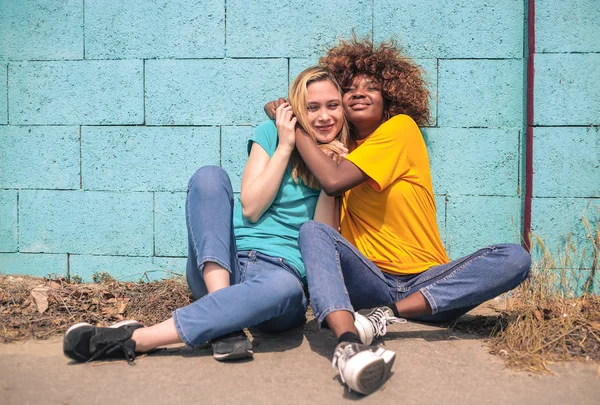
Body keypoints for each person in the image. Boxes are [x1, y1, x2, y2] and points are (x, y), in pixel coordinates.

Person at [269, 38, 532, 395]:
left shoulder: (400, 130)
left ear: (390, 96)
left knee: (514, 257)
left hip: (428, 283)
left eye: (372, 87)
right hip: (371, 279)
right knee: (313, 231)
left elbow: (332, 182)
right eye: (349, 89)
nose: (359, 94)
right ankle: (349, 343)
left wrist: (293, 127)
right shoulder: (342, 154)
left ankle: (386, 315)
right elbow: (330, 217)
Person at [62, 67, 351, 364]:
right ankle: (226, 322)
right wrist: (286, 145)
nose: (324, 117)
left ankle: (139, 338)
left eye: (332, 106)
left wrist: (331, 176)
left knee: (285, 287)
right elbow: (252, 208)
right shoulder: (270, 134)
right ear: (297, 111)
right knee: (209, 176)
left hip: (280, 280)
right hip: (224, 267)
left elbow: (321, 239)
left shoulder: (345, 161)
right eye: (312, 107)